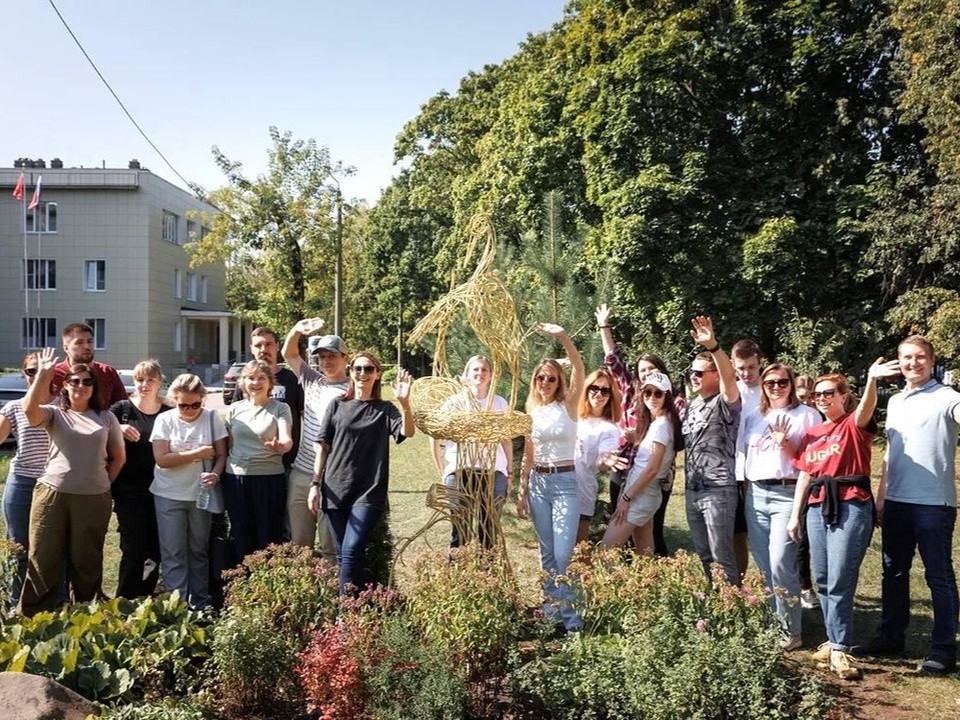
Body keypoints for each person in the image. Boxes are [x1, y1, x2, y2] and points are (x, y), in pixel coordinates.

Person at [787, 358, 898, 680]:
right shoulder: (812, 433)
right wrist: (796, 516)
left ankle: (839, 648)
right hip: (817, 507)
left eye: (829, 393)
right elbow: (806, 475)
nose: (822, 398)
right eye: (818, 395)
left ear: (843, 395)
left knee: (840, 577)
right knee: (821, 579)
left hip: (851, 506)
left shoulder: (854, 424)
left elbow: (866, 409)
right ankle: (834, 639)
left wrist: (872, 380)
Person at [855, 336, 960, 676]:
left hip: (934, 504)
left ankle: (943, 651)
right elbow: (890, 454)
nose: (912, 363)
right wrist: (882, 496)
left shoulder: (948, 398)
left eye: (919, 357)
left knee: (939, 576)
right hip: (897, 502)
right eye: (906, 358)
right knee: (893, 573)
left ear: (931, 360)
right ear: (899, 363)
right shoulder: (896, 401)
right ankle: (891, 637)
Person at [19, 347, 126, 616]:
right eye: (74, 381)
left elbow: (118, 458)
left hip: (93, 498)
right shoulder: (55, 413)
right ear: (65, 385)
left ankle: (84, 614)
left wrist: (101, 485)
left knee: (87, 559)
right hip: (52, 494)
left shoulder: (106, 417)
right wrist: (43, 374)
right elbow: (29, 411)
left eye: (86, 381)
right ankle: (35, 616)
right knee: (43, 556)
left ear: (93, 386)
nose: (80, 386)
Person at [308, 353, 414, 595]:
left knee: (352, 550)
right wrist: (315, 484)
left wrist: (406, 404)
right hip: (335, 488)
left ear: (377, 374)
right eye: (358, 369)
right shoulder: (337, 404)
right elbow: (323, 447)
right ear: (351, 371)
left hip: (368, 491)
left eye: (368, 369)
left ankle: (345, 615)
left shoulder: (385, 409)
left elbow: (407, 432)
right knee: (344, 555)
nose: (363, 374)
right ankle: (357, 610)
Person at [737, 363, 820, 650]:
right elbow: (746, 458)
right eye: (770, 382)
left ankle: (790, 632)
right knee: (763, 566)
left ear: (791, 383)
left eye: (782, 382)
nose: (776, 387)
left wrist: (785, 444)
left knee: (781, 563)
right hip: (756, 493)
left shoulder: (807, 415)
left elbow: (810, 462)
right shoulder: (753, 415)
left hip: (787, 493)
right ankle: (774, 623)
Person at [595, 303, 684, 555]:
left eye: (653, 372)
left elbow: (660, 459)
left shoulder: (670, 411)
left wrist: (628, 497)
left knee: (616, 544)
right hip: (626, 472)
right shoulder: (635, 396)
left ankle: (628, 587)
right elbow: (614, 361)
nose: (651, 392)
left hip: (648, 482)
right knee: (642, 547)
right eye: (643, 373)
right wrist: (604, 326)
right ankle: (645, 588)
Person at [517, 323, 585, 633]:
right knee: (546, 554)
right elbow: (528, 453)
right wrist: (521, 491)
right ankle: (552, 613)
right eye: (540, 378)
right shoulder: (531, 407)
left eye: (551, 378)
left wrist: (562, 337)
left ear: (559, 382)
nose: (545, 382)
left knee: (563, 554)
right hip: (538, 485)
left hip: (564, 483)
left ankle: (573, 621)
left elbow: (580, 368)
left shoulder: (568, 405)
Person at [151, 374, 228, 610]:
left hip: (200, 496)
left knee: (198, 550)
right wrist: (196, 454)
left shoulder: (212, 418)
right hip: (168, 494)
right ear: (174, 400)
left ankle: (200, 603)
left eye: (195, 404)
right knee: (173, 553)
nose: (189, 409)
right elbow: (162, 459)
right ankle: (178, 608)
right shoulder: (164, 420)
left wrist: (215, 474)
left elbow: (221, 454)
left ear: (203, 400)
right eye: (183, 405)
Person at [281, 319, 350, 560]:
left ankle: (333, 595)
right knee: (300, 546)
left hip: (333, 476)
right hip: (302, 472)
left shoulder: (352, 390)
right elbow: (288, 353)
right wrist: (297, 330)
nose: (326, 361)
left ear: (345, 358)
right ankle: (304, 594)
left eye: (332, 355)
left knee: (330, 547)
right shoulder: (311, 380)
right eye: (321, 357)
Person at [682, 316, 741, 584]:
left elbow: (730, 376)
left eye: (699, 373)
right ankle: (716, 612)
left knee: (722, 556)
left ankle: (733, 613)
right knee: (704, 556)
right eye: (690, 373)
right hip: (692, 491)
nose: (693, 377)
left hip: (718, 491)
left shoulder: (724, 401)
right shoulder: (692, 405)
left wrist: (714, 347)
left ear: (715, 375)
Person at [431, 355, 513, 549]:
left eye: (484, 370)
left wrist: (509, 471)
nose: (480, 374)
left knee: (490, 532)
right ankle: (458, 576)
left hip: (493, 473)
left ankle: (487, 576)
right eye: (475, 370)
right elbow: (434, 437)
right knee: (460, 532)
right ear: (466, 376)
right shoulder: (454, 404)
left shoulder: (499, 403)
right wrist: (443, 471)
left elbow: (506, 440)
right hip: (460, 473)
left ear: (491, 375)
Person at [109, 360, 173, 599]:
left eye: (150, 380)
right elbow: (99, 426)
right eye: (140, 380)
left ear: (159, 382)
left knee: (155, 548)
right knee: (133, 547)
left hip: (162, 489)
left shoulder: (168, 412)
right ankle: (124, 600)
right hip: (128, 490)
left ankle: (146, 598)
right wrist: (119, 428)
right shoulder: (121, 410)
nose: (144, 385)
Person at [602, 372, 680, 553]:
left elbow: (652, 469)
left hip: (640, 495)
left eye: (658, 393)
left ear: (667, 396)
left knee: (604, 552)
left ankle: (608, 582)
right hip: (645, 494)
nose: (652, 397)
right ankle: (649, 582)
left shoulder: (661, 426)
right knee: (645, 555)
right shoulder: (659, 423)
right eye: (648, 393)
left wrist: (626, 498)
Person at [223, 360, 293, 561]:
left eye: (261, 378)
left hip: (269, 480)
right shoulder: (234, 409)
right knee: (241, 535)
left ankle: (267, 586)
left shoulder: (280, 408)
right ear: (243, 383)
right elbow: (229, 445)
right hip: (236, 479)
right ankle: (241, 585)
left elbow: (287, 439)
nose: (256, 382)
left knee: (269, 537)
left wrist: (281, 445)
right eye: (250, 378)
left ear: (270, 383)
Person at [0, 353, 52, 609]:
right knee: (19, 548)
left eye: (42, 370)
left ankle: (52, 603)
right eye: (32, 371)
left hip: (53, 486)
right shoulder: (13, 407)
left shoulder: (62, 406)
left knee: (52, 550)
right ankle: (15, 606)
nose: (36, 375)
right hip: (21, 483)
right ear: (24, 374)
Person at [232, 327, 304, 477]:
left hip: (287, 464)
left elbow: (306, 417)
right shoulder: (245, 383)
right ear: (252, 349)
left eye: (269, 344)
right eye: (258, 345)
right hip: (248, 467)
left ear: (277, 346)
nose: (264, 350)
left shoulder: (292, 379)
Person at [574, 369, 622, 543]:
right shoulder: (573, 416)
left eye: (605, 390)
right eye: (594, 388)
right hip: (557, 485)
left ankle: (582, 572)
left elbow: (602, 461)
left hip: (582, 489)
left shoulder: (610, 429)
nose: (599, 394)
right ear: (586, 389)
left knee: (580, 546)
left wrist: (606, 461)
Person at [731, 339, 763, 581]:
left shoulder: (770, 391)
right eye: (741, 368)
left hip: (761, 471)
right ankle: (739, 584)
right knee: (737, 533)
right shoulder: (731, 391)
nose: (746, 373)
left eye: (751, 367)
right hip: (734, 471)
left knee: (762, 534)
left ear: (759, 363)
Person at [50, 322, 127, 408]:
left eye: (90, 342)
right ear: (66, 347)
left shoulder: (107, 372)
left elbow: (123, 407)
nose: (87, 346)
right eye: (79, 343)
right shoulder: (54, 374)